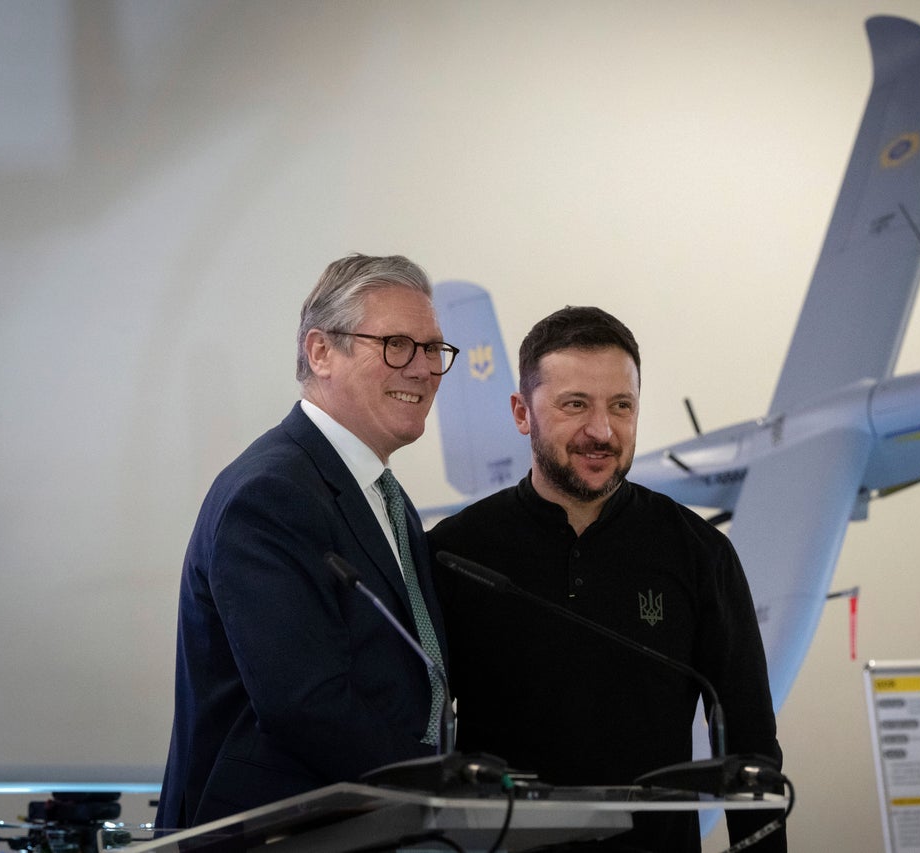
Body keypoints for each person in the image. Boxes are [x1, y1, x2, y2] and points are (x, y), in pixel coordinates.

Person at [428, 306, 786, 852]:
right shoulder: (455, 552)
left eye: (622, 406)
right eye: (575, 405)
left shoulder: (699, 554)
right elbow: (416, 730)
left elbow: (752, 746)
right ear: (522, 413)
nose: (602, 431)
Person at [155, 254, 459, 829]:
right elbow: (305, 703)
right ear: (321, 352)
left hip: (363, 827)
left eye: (433, 349)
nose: (423, 369)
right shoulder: (272, 493)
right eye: (397, 344)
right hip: (273, 833)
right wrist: (440, 785)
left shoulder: (384, 498)